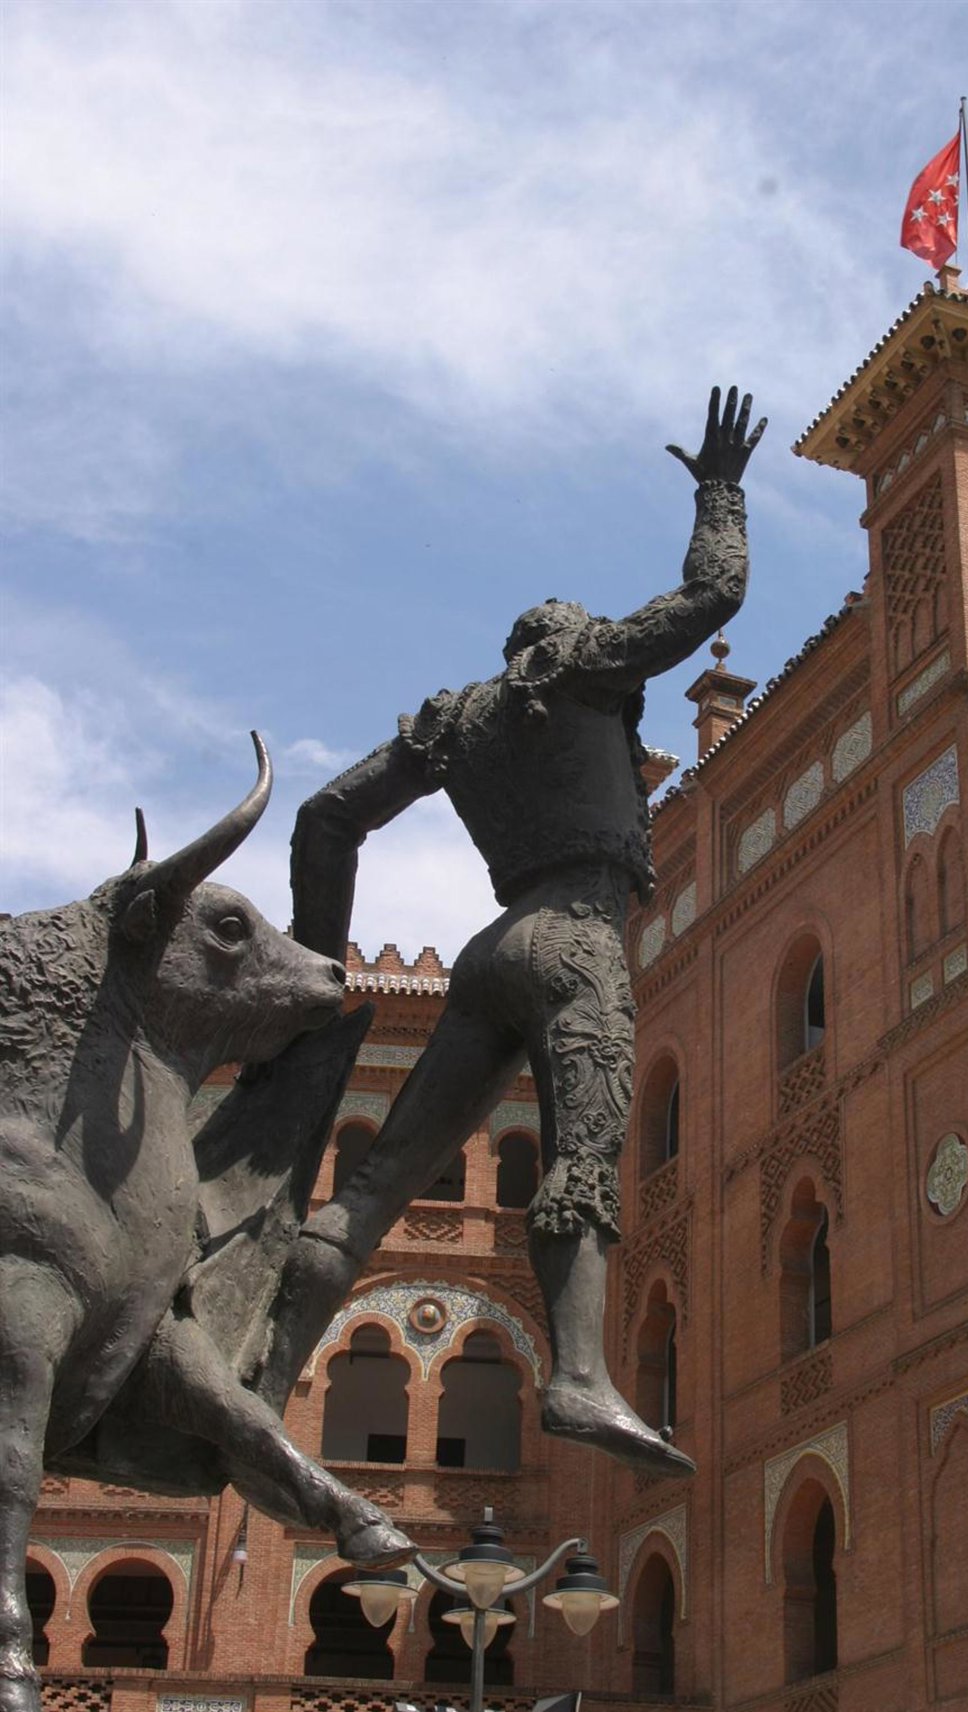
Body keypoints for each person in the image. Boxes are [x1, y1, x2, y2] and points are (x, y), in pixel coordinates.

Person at [260, 388, 766, 1476]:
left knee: (373, 1186)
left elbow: (325, 818)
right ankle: (577, 1375)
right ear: (569, 638)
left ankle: (263, 1385)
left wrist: (318, 968)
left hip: (488, 956)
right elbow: (713, 592)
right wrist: (721, 491)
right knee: (583, 1164)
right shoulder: (586, 667)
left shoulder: (457, 720)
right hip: (578, 940)